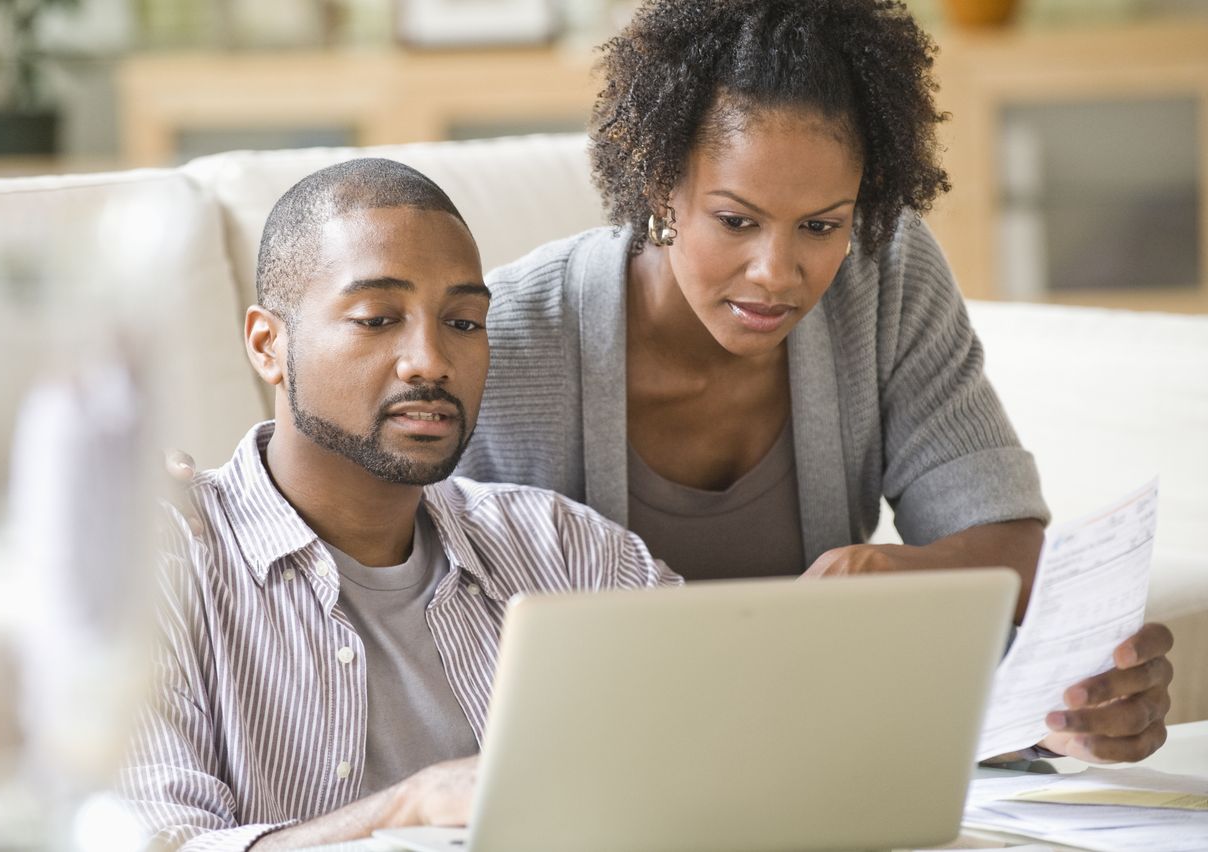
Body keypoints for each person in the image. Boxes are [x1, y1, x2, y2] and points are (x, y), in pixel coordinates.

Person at [168, 0, 1172, 766]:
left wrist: (913, 590)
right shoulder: (493, 342)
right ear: (657, 183)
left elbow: (1006, 542)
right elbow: (368, 567)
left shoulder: (885, 273)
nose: (779, 274)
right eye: (734, 220)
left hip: (804, 747)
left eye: (820, 224)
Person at [126, 158, 679, 850]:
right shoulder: (157, 559)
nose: (431, 360)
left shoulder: (567, 549)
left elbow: (722, 756)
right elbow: (154, 841)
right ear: (269, 345)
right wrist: (407, 809)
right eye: (377, 318)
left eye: (464, 322)